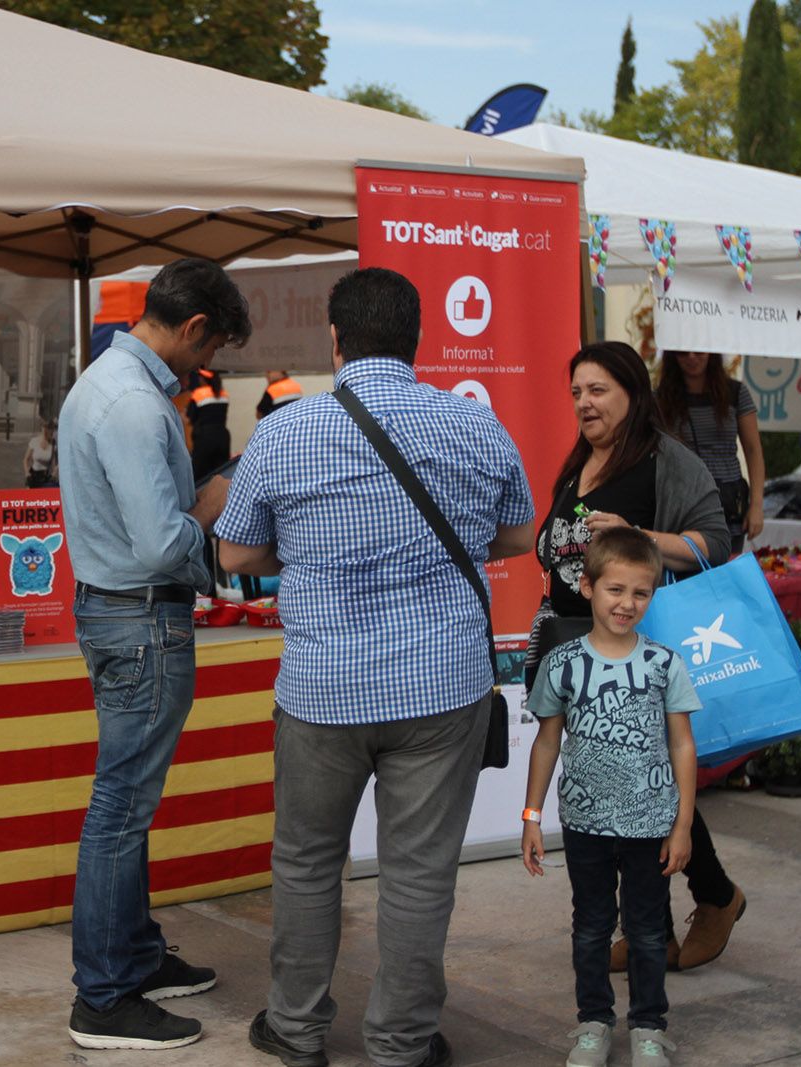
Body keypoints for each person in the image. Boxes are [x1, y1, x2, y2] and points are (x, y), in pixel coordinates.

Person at [217, 267, 535, 1067]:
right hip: (442, 687)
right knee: (419, 872)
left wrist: (311, 550)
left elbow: (236, 550)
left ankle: (295, 1030)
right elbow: (517, 534)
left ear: (335, 339)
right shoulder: (474, 426)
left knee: (305, 861)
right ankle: (400, 1043)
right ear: (418, 339)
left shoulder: (286, 431)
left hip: (323, 691)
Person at [57, 257, 249, 1052]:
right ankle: (103, 997)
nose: (202, 372)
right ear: (193, 326)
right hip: (140, 620)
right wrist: (212, 506)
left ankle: (132, 956)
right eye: (207, 354)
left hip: (119, 614)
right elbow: (162, 539)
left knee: (125, 804)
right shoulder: (135, 404)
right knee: (120, 809)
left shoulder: (107, 383)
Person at [534, 341, 741, 975]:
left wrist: (638, 537)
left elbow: (716, 542)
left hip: (636, 658)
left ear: (631, 392)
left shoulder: (665, 461)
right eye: (575, 392)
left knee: (647, 782)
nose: (583, 403)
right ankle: (655, 927)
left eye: (596, 390)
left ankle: (714, 897)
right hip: (576, 650)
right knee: (609, 782)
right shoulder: (581, 462)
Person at [522, 526, 698, 1067]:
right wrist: (531, 816)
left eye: (640, 592)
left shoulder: (664, 663)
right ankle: (593, 1022)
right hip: (585, 824)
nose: (627, 603)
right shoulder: (563, 663)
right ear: (588, 585)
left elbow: (682, 744)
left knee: (648, 931)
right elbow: (547, 740)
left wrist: (683, 824)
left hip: (651, 825)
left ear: (653, 594)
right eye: (615, 590)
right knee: (591, 928)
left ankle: (649, 1026)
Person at [654, 351, 764, 548]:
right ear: (672, 356)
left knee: (727, 568)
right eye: (682, 352)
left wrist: (756, 506)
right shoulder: (659, 399)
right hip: (683, 503)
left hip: (728, 503)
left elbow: (753, 450)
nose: (691, 357)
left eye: (699, 351)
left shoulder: (736, 392)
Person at [185, 366, 231, 480]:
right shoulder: (223, 393)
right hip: (222, 436)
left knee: (199, 474)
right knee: (222, 474)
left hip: (204, 437)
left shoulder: (198, 393)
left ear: (203, 379)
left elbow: (190, 417)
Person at [24, 419, 58, 488]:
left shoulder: (53, 444)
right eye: (44, 428)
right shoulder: (34, 441)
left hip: (46, 477)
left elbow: (53, 464)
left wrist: (55, 472)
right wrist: (27, 473)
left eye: (48, 429)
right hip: (33, 476)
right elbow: (25, 460)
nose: (45, 431)